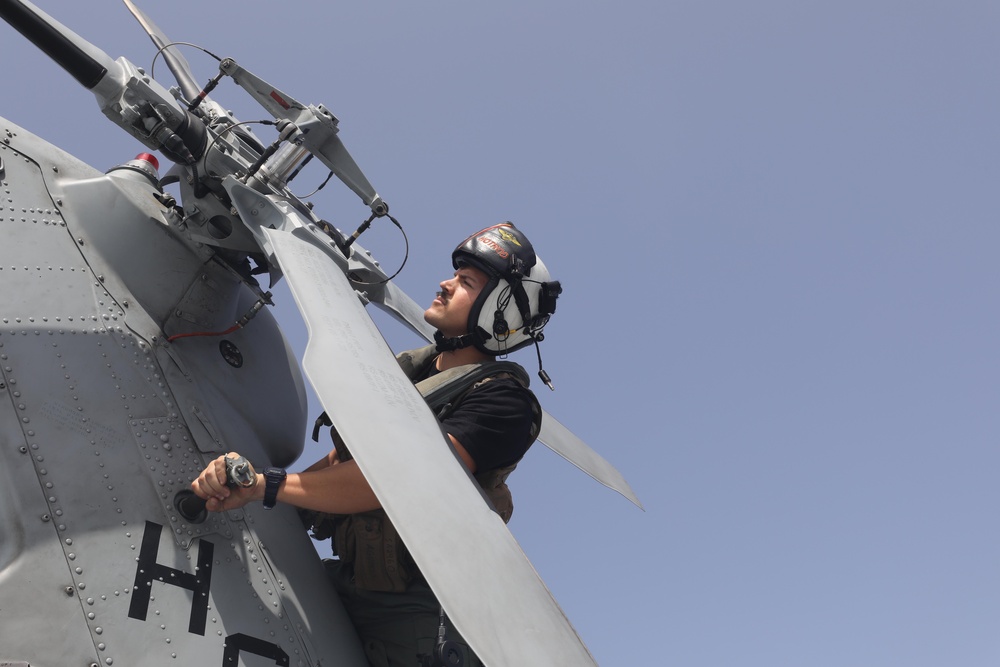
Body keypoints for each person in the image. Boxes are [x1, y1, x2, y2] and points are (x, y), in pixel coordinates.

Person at [191, 222, 562, 666]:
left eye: (465, 283)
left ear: (497, 314)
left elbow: (400, 480)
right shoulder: (406, 375)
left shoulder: (503, 403)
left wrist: (267, 487)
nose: (445, 283)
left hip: (414, 621)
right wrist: (247, 485)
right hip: (349, 581)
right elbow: (343, 459)